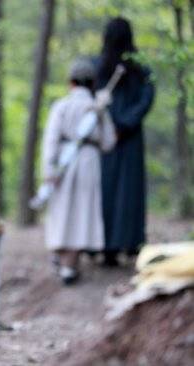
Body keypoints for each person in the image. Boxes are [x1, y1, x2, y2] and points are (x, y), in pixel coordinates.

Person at [42, 57, 116, 284]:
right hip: (89, 161)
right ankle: (70, 265)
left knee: (62, 208)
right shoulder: (98, 109)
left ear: (71, 82)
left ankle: (61, 256)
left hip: (64, 160)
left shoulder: (61, 106)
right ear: (92, 83)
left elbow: (51, 140)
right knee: (82, 210)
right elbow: (109, 142)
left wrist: (48, 169)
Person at [94, 17, 155, 266]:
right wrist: (125, 124)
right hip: (126, 138)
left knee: (108, 190)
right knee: (127, 191)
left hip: (109, 137)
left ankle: (109, 247)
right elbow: (146, 99)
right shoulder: (140, 69)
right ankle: (129, 243)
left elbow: (94, 101)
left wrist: (115, 125)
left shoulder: (100, 66)